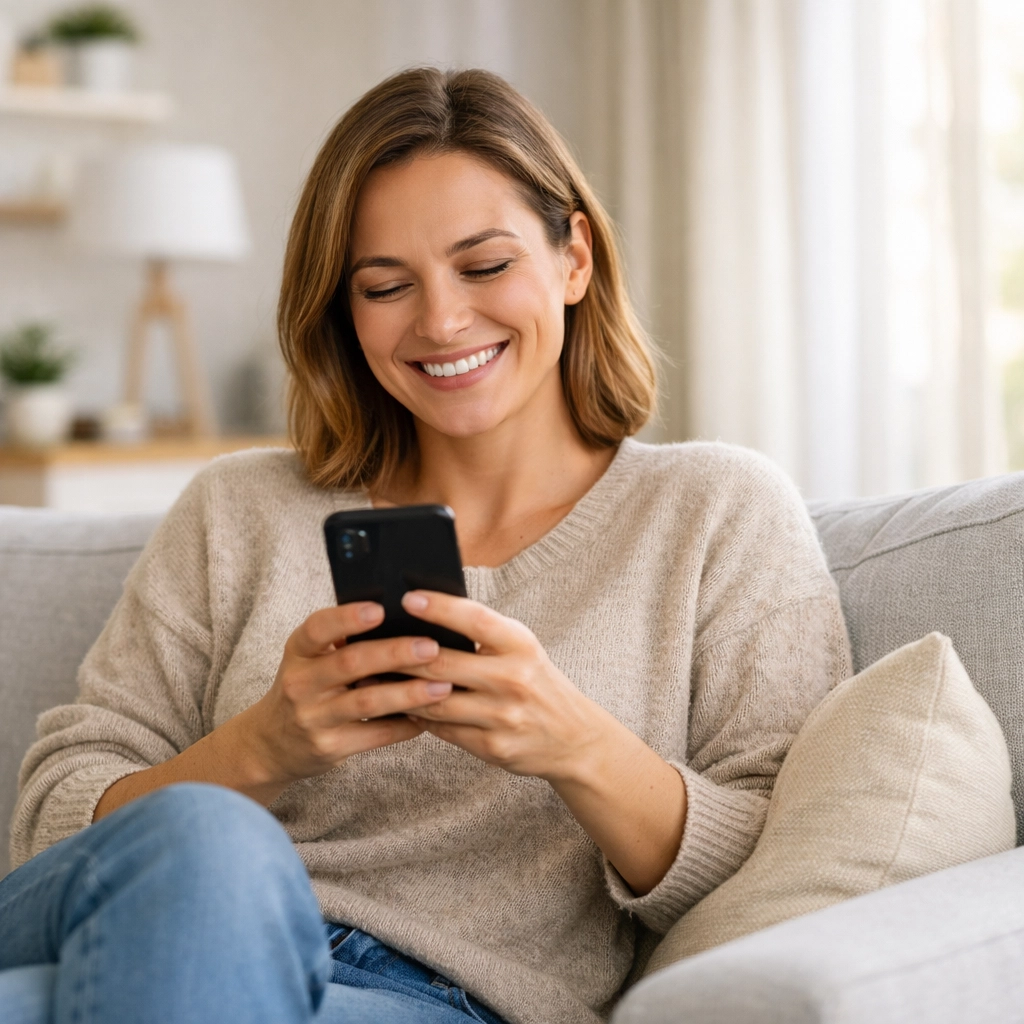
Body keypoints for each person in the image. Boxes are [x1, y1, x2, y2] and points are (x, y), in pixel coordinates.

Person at [0, 67, 852, 1024]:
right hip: (150, 919)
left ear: (573, 257)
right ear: (343, 307)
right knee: (204, 837)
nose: (441, 321)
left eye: (484, 266)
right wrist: (264, 746)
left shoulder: (716, 512)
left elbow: (775, 865)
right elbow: (52, 823)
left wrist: (574, 743)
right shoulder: (235, 509)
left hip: (435, 997)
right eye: (384, 285)